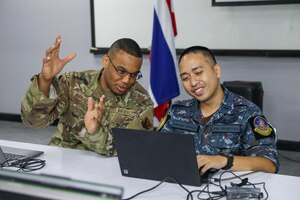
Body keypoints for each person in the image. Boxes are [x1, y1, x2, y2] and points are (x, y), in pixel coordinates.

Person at [21, 35, 154, 156]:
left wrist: (95, 131)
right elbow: (33, 121)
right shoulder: (73, 82)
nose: (126, 80)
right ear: (106, 61)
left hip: (107, 169)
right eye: (121, 71)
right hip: (63, 156)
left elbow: (133, 149)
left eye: (134, 75)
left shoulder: (141, 101)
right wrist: (45, 80)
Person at [159, 46, 279, 174]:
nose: (193, 82)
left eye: (198, 72)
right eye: (185, 78)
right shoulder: (177, 111)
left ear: (216, 71)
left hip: (225, 188)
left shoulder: (247, 112)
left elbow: (269, 164)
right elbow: (157, 151)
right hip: (182, 185)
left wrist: (224, 161)